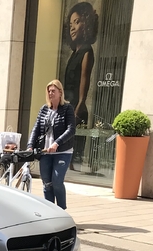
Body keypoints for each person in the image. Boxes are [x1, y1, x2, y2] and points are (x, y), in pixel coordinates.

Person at [27, 80, 76, 210]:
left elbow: (71, 130)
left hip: (63, 152)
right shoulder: (44, 109)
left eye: (53, 91)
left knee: (57, 181)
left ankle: (61, 211)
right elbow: (36, 129)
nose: (50, 93)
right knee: (47, 183)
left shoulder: (67, 108)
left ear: (60, 92)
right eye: (48, 91)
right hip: (45, 152)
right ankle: (49, 211)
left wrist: (56, 143)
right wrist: (30, 145)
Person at [63, 2, 98, 170]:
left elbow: (85, 80)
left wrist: (79, 106)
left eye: (77, 22)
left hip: (76, 105)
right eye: (71, 24)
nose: (72, 28)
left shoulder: (86, 51)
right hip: (67, 103)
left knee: (73, 142)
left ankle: (72, 167)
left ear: (87, 23)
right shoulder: (74, 53)